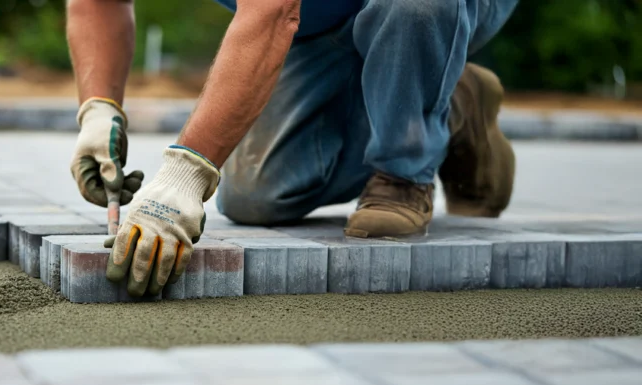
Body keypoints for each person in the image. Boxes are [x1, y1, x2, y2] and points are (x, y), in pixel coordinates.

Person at [67, 0, 519, 297]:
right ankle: (453, 96)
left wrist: (187, 172)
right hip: (318, 18)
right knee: (257, 196)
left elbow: (274, 7)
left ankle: (407, 160)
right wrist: (99, 109)